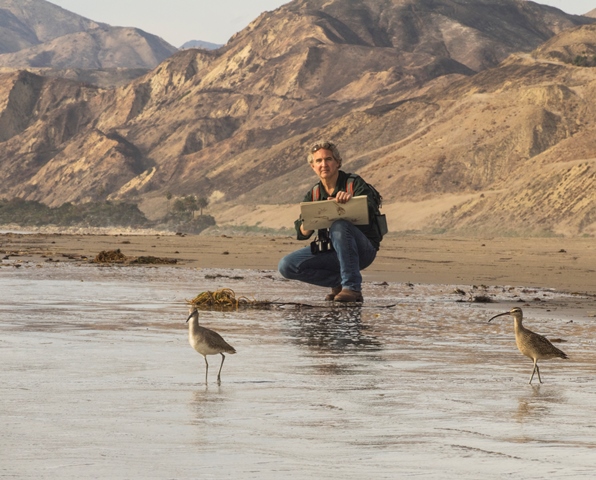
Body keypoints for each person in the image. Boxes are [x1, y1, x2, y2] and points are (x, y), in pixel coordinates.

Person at [278, 141, 382, 302]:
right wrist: (308, 223)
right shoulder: (314, 193)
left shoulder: (353, 183)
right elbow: (301, 231)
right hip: (332, 251)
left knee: (339, 226)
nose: (324, 165)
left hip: (363, 250)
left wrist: (351, 201)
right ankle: (338, 283)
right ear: (313, 166)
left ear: (338, 162)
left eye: (328, 159)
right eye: (318, 161)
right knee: (286, 265)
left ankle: (352, 288)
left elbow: (370, 206)